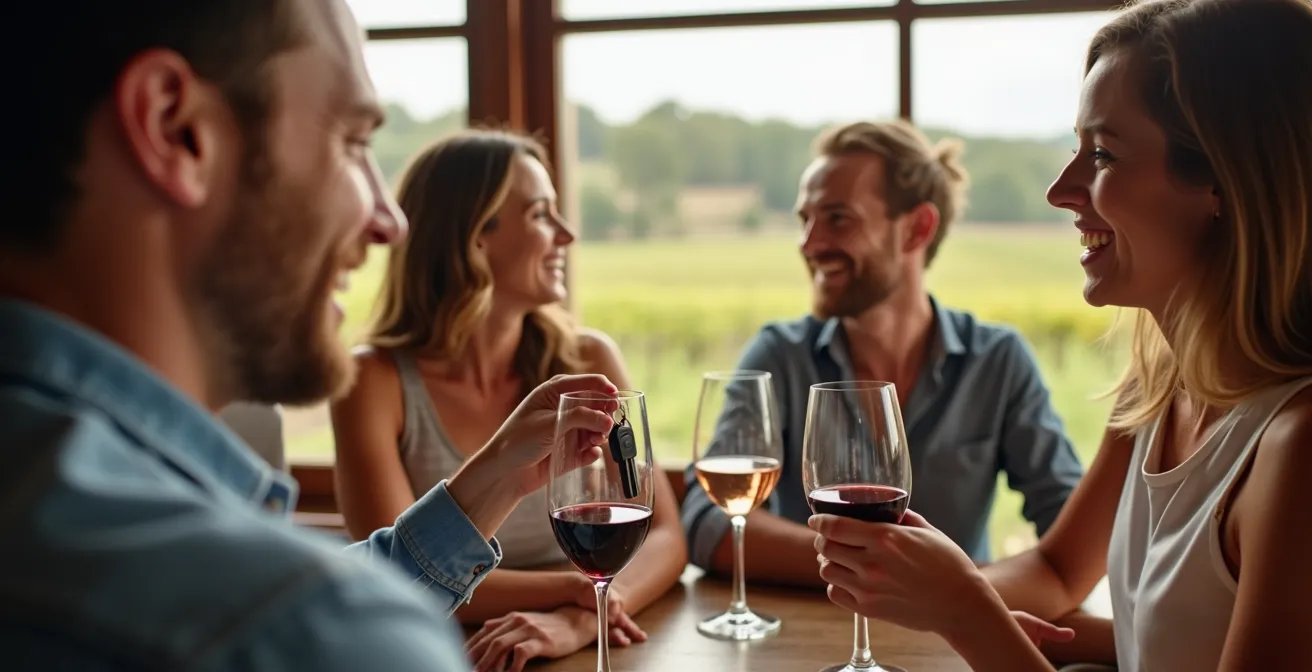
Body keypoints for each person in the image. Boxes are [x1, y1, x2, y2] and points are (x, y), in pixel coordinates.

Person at [0, 1, 622, 670]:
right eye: (353, 142)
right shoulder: (324, 636)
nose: (389, 221)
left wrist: (491, 482)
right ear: (175, 128)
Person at [808, 1, 1312, 670]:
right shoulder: (1159, 388)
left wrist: (967, 613)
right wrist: (936, 593)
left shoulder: (1295, 447)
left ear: (1223, 178)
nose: (1059, 189)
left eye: (1101, 153)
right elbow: (1056, 569)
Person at [330, 129, 686, 669]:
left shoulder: (588, 361)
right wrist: (567, 590)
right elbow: (401, 573)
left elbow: (664, 535)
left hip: (577, 645)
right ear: (475, 237)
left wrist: (580, 620)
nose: (566, 235)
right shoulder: (372, 381)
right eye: (542, 214)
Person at [681, 118, 1084, 586]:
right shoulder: (780, 357)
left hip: (952, 644)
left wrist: (953, 594)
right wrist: (893, 575)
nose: (809, 244)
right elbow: (709, 526)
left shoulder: (997, 361)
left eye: (837, 218)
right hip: (823, 643)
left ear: (917, 229)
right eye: (804, 220)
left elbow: (1070, 528)